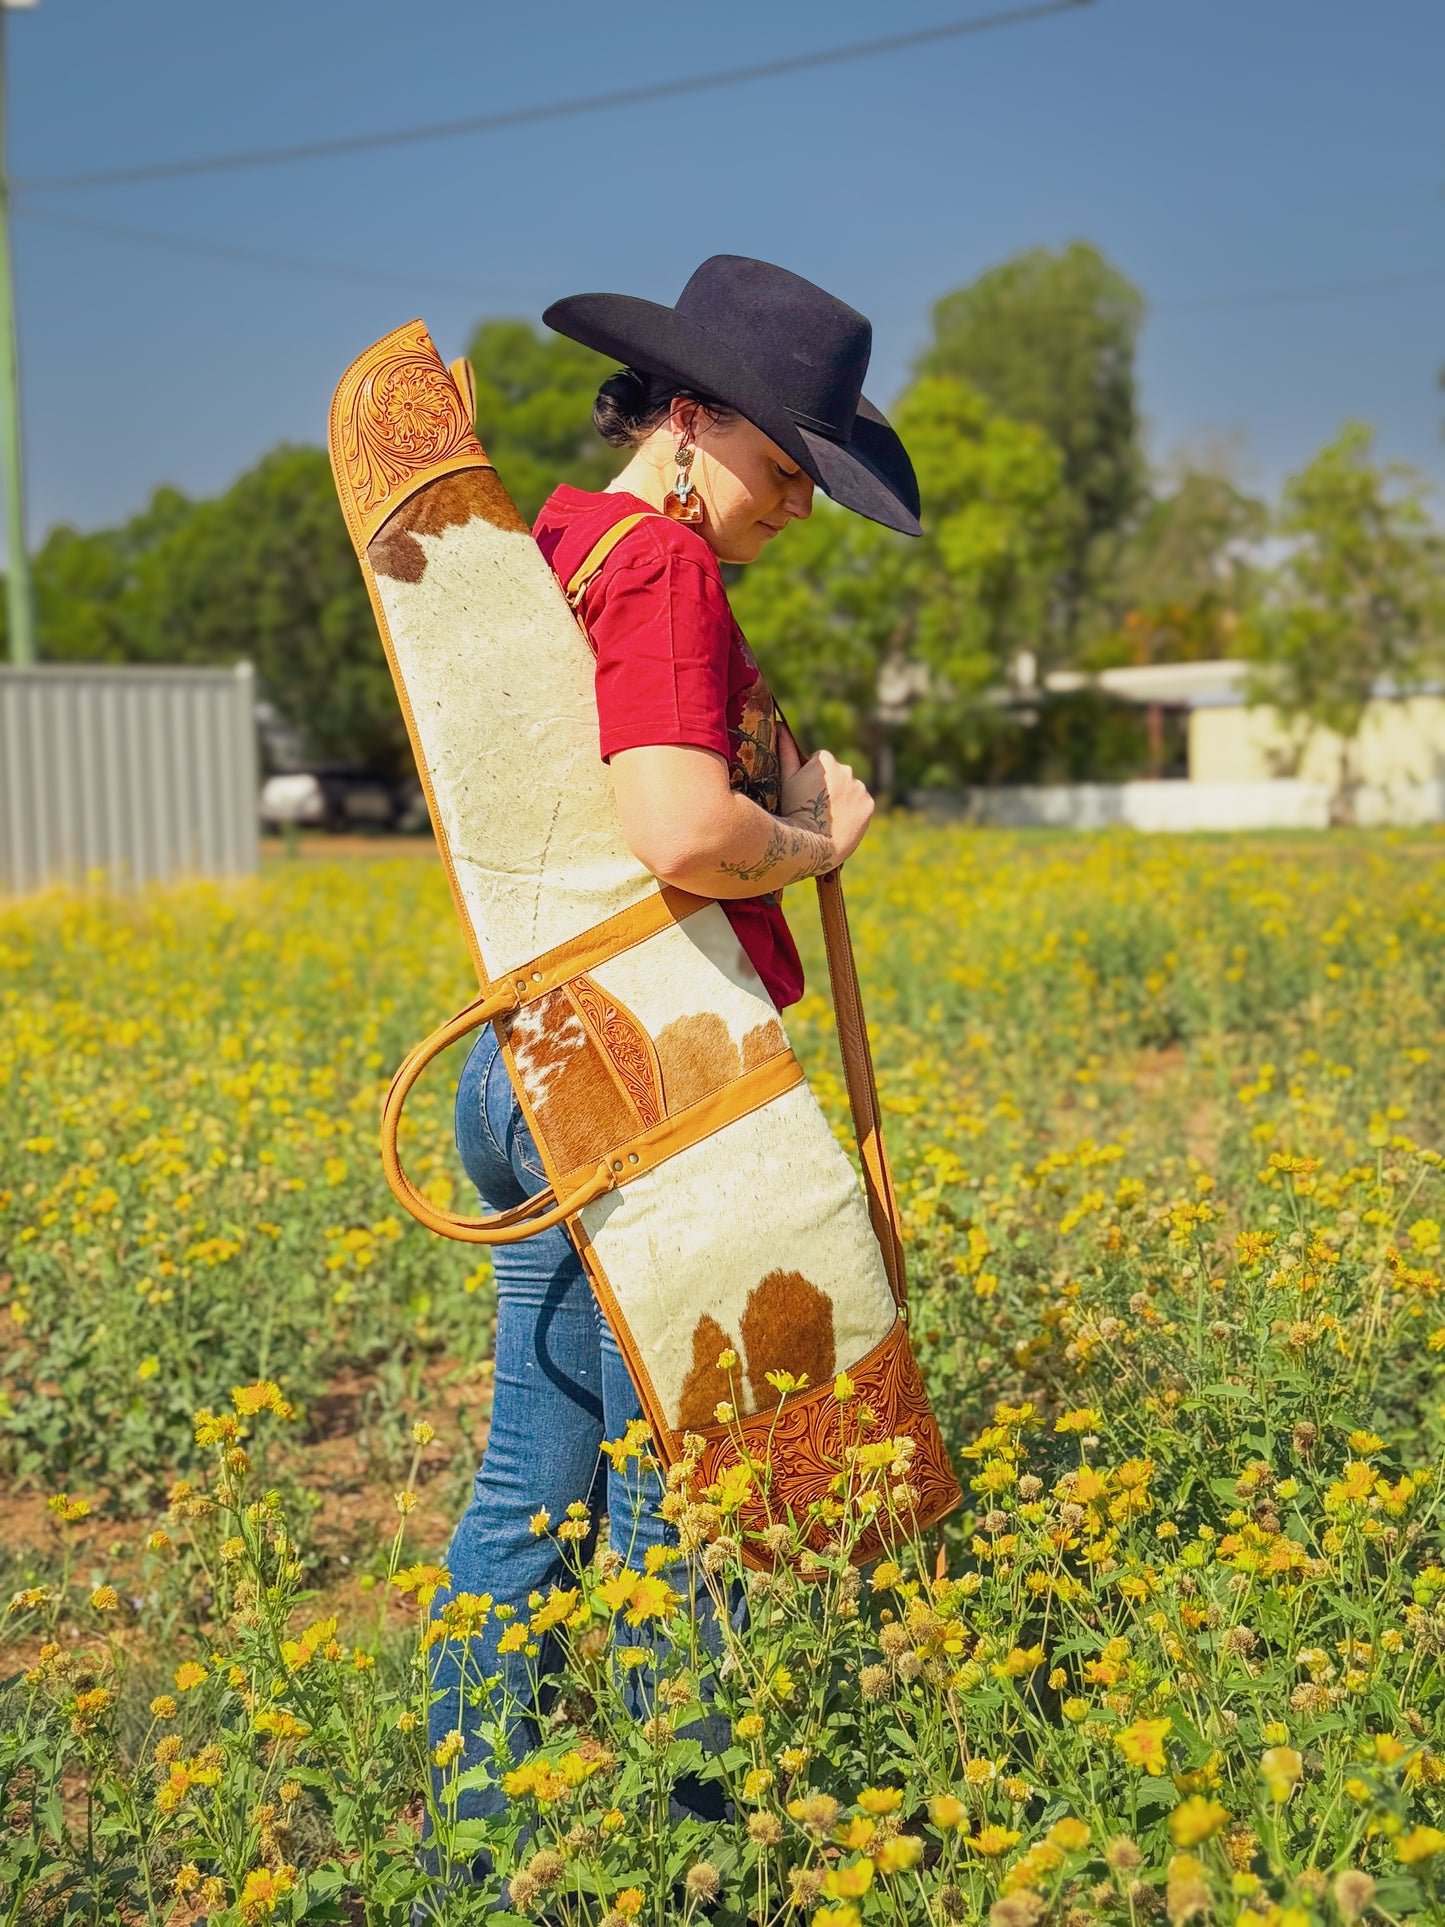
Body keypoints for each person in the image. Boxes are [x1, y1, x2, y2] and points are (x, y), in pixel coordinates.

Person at [426, 255, 921, 1842]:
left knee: (531, 1483)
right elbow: (673, 823)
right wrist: (812, 838)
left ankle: (481, 1840)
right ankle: (689, 1842)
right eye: (784, 474)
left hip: (533, 1062)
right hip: (635, 1080)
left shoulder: (557, 543)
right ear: (691, 422)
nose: (790, 511)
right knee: (679, 1490)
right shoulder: (662, 570)